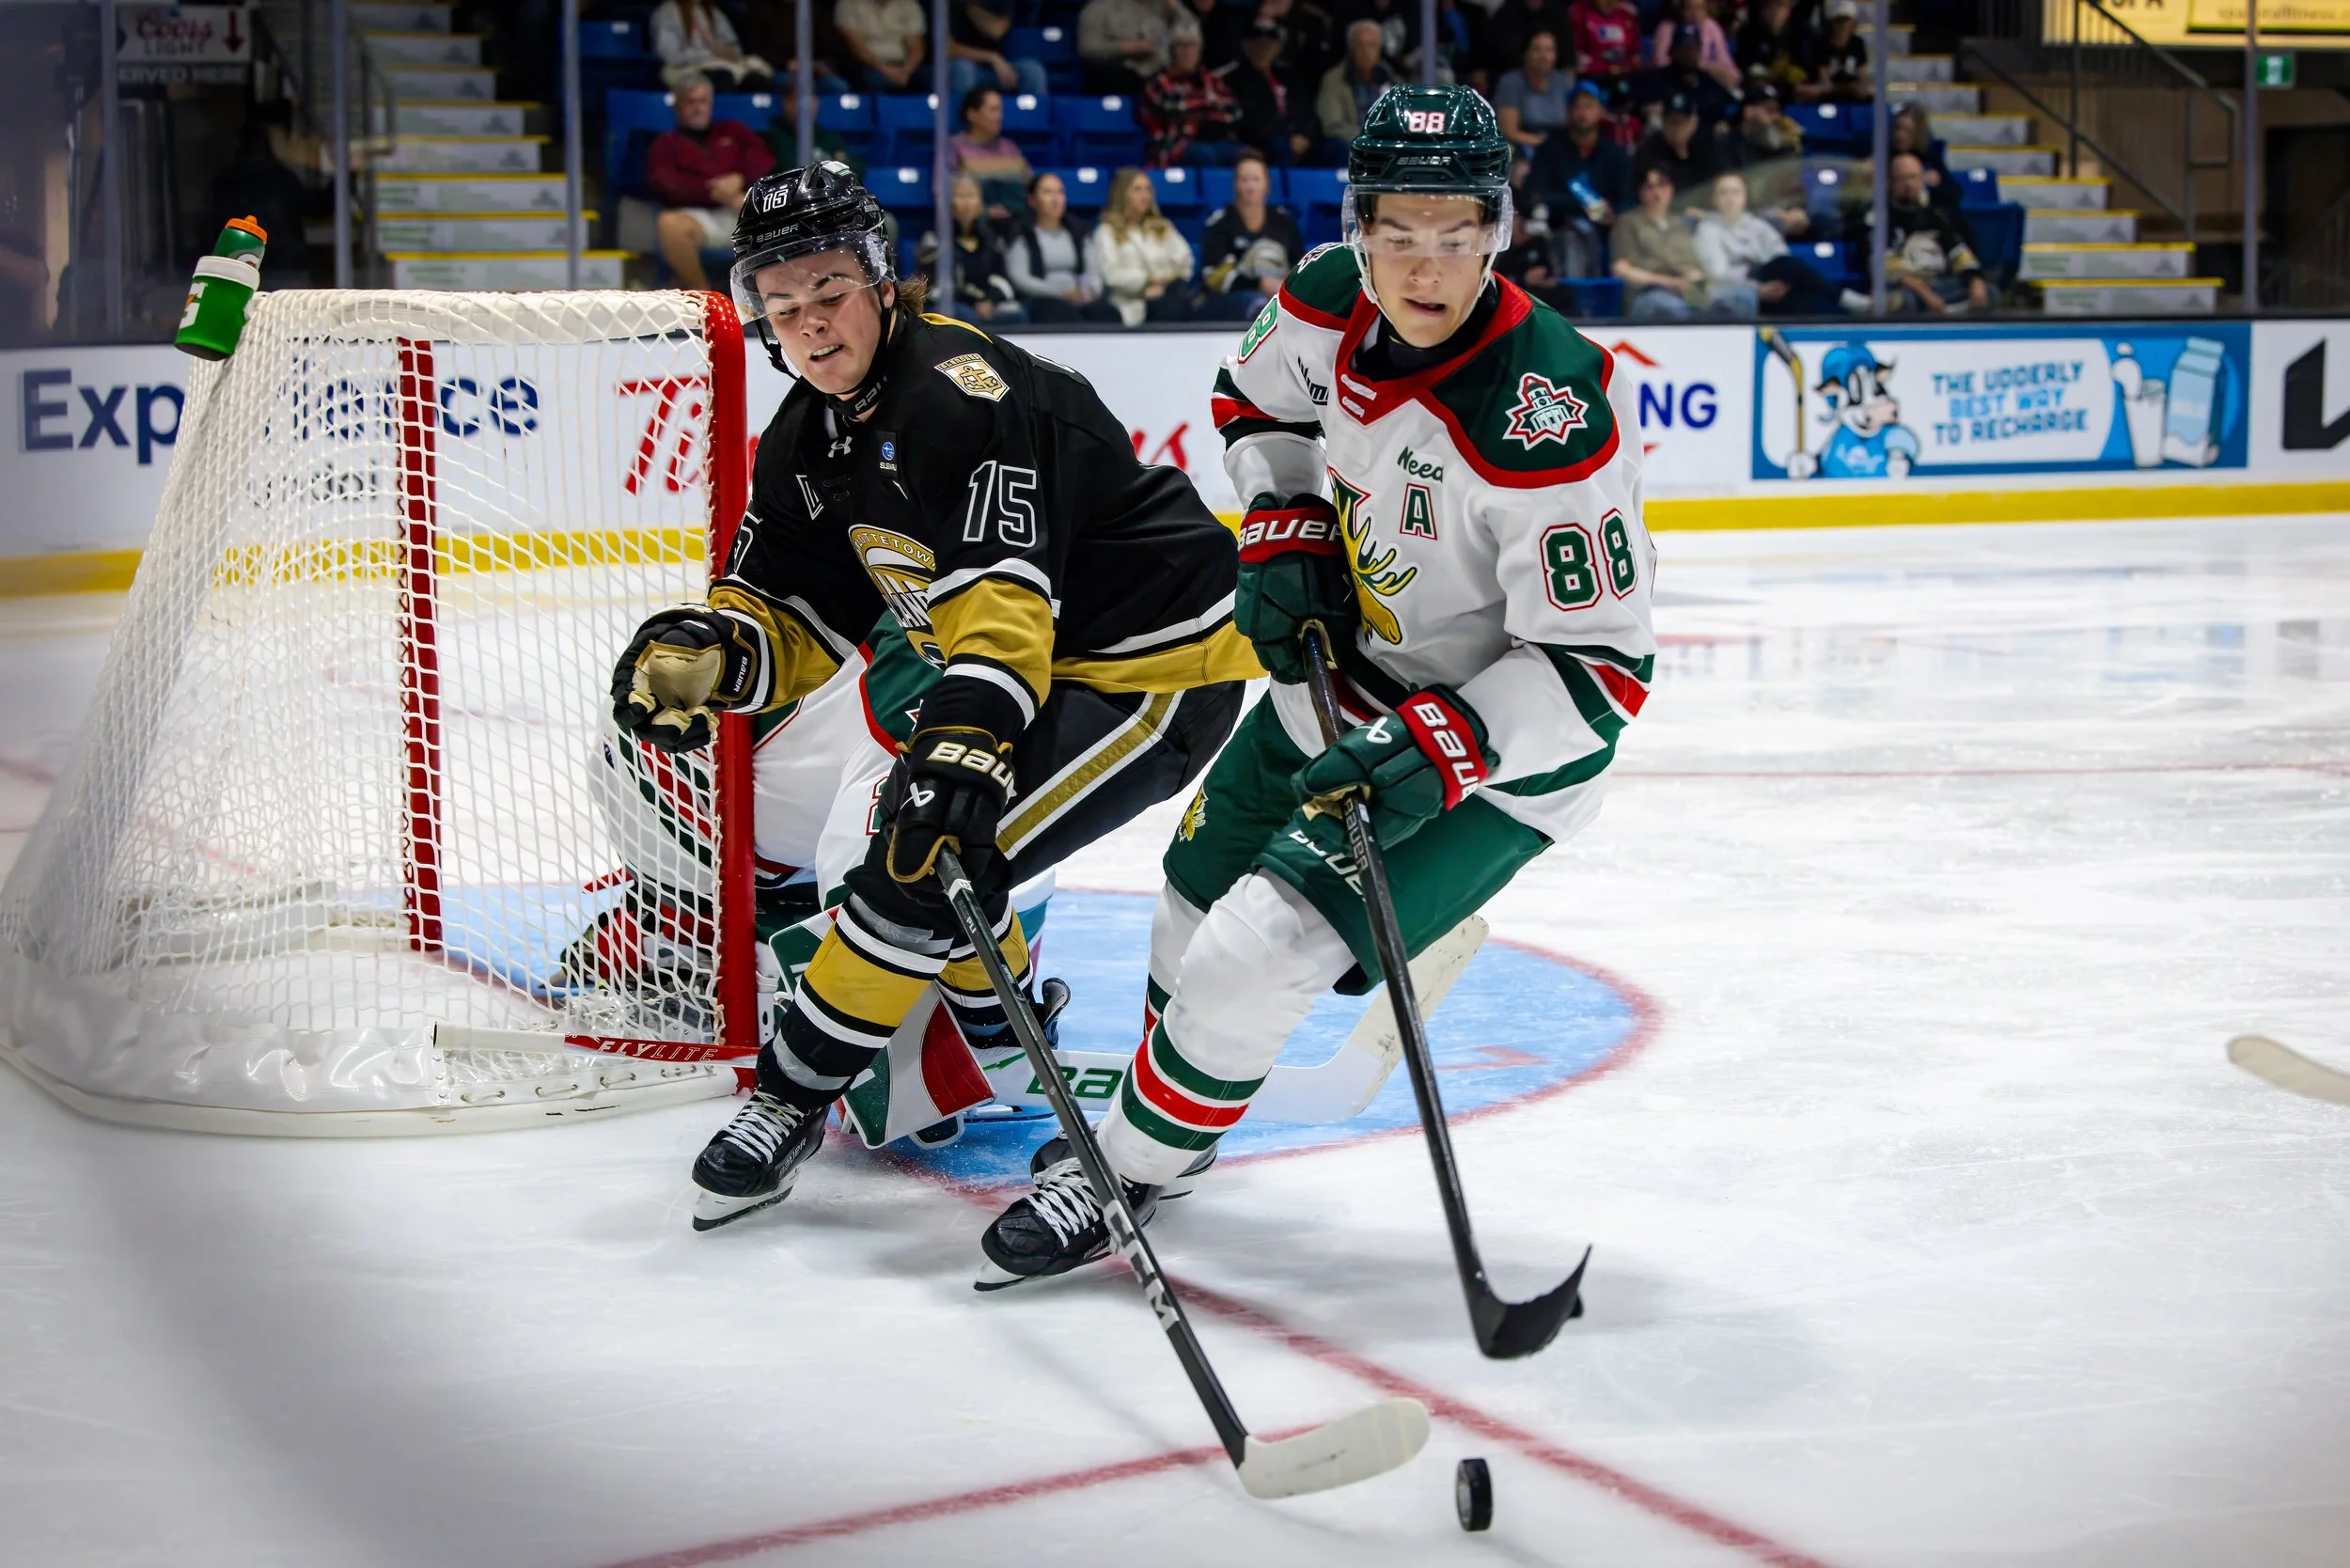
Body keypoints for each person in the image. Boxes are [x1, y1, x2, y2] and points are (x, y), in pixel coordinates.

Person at [975, 84, 1654, 1288]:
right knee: (1188, 894)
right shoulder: (1327, 298)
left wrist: (1443, 744)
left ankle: (1125, 1170)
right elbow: (1257, 400)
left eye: (1455, 234)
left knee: (1251, 954)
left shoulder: (1545, 415)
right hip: (1341, 675)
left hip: (1497, 757)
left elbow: (1597, 670)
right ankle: (1169, 1126)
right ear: (1358, 224)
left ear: (1498, 229)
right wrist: (1285, 517)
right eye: (1398, 231)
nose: (1424, 264)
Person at [625, 162, 1256, 1231]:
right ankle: (1009, 1035)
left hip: (1152, 665)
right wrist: (716, 653)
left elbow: (1006, 610)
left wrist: (961, 749)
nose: (808, 325)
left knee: (926, 851)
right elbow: (793, 613)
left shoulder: (962, 397)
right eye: (780, 305)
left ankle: (789, 1096)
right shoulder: (807, 435)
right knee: (932, 849)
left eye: (826, 292)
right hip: (1036, 667)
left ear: (880, 280)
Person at [649, 74, 778, 290]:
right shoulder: (665, 144)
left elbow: (765, 161)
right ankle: (704, 300)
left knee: (785, 210)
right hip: (698, 217)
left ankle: (777, 298)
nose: (698, 108)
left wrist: (739, 179)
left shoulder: (733, 131)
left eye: (703, 101)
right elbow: (666, 185)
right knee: (669, 224)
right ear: (678, 107)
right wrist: (713, 190)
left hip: (741, 209)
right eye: (691, 102)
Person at [1693, 171, 1850, 315]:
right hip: (1741, 288)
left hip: (1769, 276)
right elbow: (1719, 275)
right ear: (1714, 199)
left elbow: (1782, 258)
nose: (1730, 199)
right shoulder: (1708, 230)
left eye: (1736, 193)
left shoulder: (1756, 224)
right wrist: (1756, 289)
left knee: (1797, 283)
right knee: (1795, 279)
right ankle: (1841, 297)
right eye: (1723, 193)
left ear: (1744, 197)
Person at [1526, 80, 1631, 277]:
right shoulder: (1550, 150)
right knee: (1572, 236)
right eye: (1578, 107)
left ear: (1600, 111)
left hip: (1607, 231)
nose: (1583, 113)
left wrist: (1614, 213)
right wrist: (1585, 207)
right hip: (1559, 228)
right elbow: (1536, 194)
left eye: (1589, 107)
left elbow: (1626, 197)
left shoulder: (1616, 155)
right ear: (1568, 111)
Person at [1874, 151, 1990, 313]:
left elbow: (1959, 253)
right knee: (1903, 302)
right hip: (1909, 288)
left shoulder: (1935, 216)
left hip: (1941, 283)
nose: (1909, 184)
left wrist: (1976, 281)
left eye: (1914, 177)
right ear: (1890, 182)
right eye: (1903, 179)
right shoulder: (1881, 219)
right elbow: (1888, 268)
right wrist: (1925, 294)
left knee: (1989, 292)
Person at [1007, 171, 1122, 322]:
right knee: (1061, 313)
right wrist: (1061, 292)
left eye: (1060, 192)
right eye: (1047, 192)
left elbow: (1093, 270)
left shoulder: (1078, 232)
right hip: (1042, 299)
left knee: (1108, 313)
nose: (1055, 199)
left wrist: (1089, 291)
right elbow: (1020, 278)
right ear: (1032, 200)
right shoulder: (1023, 234)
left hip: (1080, 296)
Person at [1612, 161, 1720, 318]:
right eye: (1649, 187)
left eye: (1662, 185)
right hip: (1650, 292)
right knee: (1675, 310)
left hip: (1690, 290)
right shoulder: (1627, 222)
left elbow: (1698, 264)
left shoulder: (1682, 223)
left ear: (1671, 189)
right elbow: (1621, 269)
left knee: (1739, 300)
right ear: (1640, 192)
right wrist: (1667, 282)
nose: (1656, 193)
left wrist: (1697, 275)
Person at [1198, 150, 1305, 309]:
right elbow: (1212, 275)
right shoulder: (1219, 224)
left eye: (1256, 179)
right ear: (1235, 184)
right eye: (1244, 180)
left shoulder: (1284, 221)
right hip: (1234, 302)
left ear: (1267, 185)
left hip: (1282, 296)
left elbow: (1301, 264)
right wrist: (1259, 284)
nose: (1250, 187)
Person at [1092, 166, 1198, 324]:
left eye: (1148, 189)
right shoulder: (1106, 231)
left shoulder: (1163, 227)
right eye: (1137, 190)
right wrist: (1147, 281)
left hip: (1168, 294)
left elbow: (1186, 262)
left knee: (1179, 298)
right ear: (1122, 194)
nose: (1145, 195)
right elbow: (1111, 275)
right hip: (1130, 303)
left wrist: (1162, 281)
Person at [919, 172, 1025, 321]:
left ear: (980, 203)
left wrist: (989, 300)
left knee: (1014, 312)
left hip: (987, 303)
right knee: (965, 315)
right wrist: (974, 302)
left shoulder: (992, 239)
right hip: (950, 306)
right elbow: (932, 288)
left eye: (972, 196)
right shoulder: (933, 240)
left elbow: (1002, 280)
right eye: (961, 196)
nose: (967, 202)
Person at [1716, 83, 1810, 237]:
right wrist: (1776, 214)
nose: (1775, 118)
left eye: (1777, 111)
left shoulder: (1783, 147)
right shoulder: (1726, 145)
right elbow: (1729, 191)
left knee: (1822, 219)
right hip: (1742, 214)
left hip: (1781, 214)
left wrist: (1797, 211)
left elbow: (1796, 190)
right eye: (1769, 111)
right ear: (1749, 112)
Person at [1222, 18, 1318, 165]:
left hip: (1297, 139)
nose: (1263, 48)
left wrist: (1304, 135)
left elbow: (1307, 113)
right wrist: (1288, 136)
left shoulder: (1288, 76)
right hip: (1262, 143)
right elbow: (1249, 122)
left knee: (1336, 148)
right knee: (1280, 147)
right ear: (1245, 45)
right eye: (1258, 43)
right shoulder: (1233, 79)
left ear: (1278, 46)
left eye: (1269, 43)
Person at [1141, 31, 1246, 166]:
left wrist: (1200, 105)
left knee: (1249, 156)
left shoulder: (1212, 80)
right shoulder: (1158, 81)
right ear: (1173, 51)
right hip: (1179, 143)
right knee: (1205, 154)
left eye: (1192, 47)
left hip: (1218, 139)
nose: (1188, 52)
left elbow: (1235, 111)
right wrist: (1211, 103)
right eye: (1182, 46)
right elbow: (1173, 104)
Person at [949, 86, 1034, 223]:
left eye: (1000, 110)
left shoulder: (1010, 148)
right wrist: (984, 212)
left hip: (1015, 222)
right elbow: (945, 193)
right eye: (993, 110)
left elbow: (1028, 185)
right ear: (972, 115)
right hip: (974, 224)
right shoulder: (954, 147)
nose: (999, 117)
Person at [650, 0, 776, 90]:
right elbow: (671, 56)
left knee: (755, 79)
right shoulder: (666, 13)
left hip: (722, 65)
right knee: (723, 78)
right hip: (686, 69)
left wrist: (729, 52)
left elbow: (733, 45)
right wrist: (709, 55)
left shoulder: (713, 13)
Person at [1078, 0, 1192, 97]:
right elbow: (1088, 48)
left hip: (1163, 77)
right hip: (1118, 76)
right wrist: (1124, 48)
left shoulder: (1164, 8)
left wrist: (1177, 9)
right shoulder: (1098, 8)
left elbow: (1192, 36)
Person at [1318, 19, 1403, 145]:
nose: (1365, 52)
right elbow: (1332, 126)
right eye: (1360, 45)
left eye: (1371, 45)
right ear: (1351, 49)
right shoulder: (1334, 80)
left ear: (1379, 50)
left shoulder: (1390, 78)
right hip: (1354, 145)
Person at [1632, 89, 1725, 201]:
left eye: (1681, 122)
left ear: (1693, 124)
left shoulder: (1704, 148)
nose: (1676, 128)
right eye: (1671, 122)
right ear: (1663, 122)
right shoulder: (1648, 152)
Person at [948, 0, 1048, 102]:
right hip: (957, 68)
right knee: (963, 69)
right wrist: (990, 57)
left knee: (1032, 72)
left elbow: (996, 30)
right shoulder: (943, 5)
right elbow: (946, 49)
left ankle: (1033, 116)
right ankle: (960, 116)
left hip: (995, 68)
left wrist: (968, 6)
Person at [1493, 30, 1572, 154]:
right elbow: (1509, 131)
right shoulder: (1511, 82)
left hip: (1558, 148)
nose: (1543, 56)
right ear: (1525, 53)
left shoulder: (1563, 82)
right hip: (1522, 148)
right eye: (1537, 49)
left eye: (1549, 50)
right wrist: (1546, 146)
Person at [1648, 0, 1738, 96]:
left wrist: (1731, 75)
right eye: (1689, 7)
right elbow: (1661, 63)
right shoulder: (1667, 28)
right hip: (1675, 83)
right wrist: (1706, 68)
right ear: (1681, 9)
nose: (1694, 13)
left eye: (1699, 8)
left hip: (1709, 84)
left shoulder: (1712, 27)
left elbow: (1726, 62)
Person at [1735, 0, 1817, 102]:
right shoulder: (1748, 35)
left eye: (1779, 5)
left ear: (1790, 7)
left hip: (1799, 95)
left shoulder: (1804, 35)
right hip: (1761, 96)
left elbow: (1817, 75)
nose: (1774, 11)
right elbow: (1744, 71)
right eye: (1768, 6)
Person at [835, 0, 927, 90]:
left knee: (932, 77)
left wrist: (907, 70)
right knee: (874, 80)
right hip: (867, 65)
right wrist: (887, 70)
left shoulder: (908, 4)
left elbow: (916, 46)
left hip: (903, 65)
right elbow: (856, 46)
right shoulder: (849, 4)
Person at [1888, 104, 1962, 212]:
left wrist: (1936, 185)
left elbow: (1955, 193)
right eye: (1898, 129)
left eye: (1908, 131)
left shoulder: (1930, 157)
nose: (1901, 135)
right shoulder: (1884, 156)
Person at [1571, 0, 1642, 103]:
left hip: (1623, 74)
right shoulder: (1580, 12)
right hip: (1591, 75)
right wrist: (1605, 67)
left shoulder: (1628, 13)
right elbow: (1576, 54)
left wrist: (1624, 68)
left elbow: (1634, 54)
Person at [1814, 0, 1872, 102]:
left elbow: (1862, 75)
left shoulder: (1857, 43)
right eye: (1839, 21)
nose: (1843, 26)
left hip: (1853, 93)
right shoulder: (1822, 44)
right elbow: (1824, 79)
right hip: (1830, 94)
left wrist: (1860, 87)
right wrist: (1847, 87)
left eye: (1846, 21)